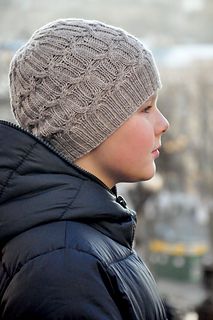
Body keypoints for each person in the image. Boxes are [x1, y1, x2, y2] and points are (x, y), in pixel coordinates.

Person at [0, 18, 169, 319]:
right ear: (87, 126)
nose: (163, 124)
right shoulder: (62, 266)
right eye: (146, 108)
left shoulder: (85, 240)